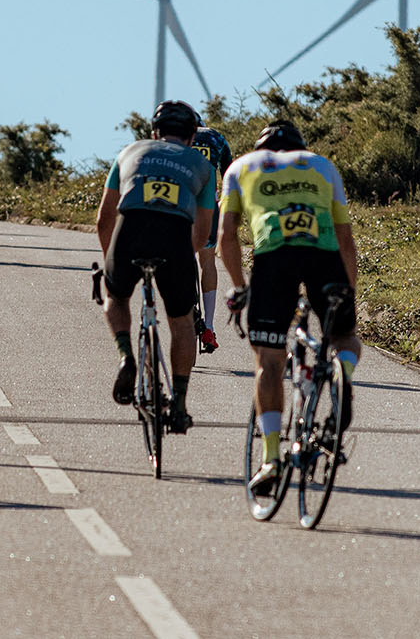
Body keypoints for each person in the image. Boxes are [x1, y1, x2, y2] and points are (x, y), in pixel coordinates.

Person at [218, 119, 361, 498]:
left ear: (262, 146)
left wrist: (239, 286)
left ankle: (270, 460)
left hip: (274, 261)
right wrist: (348, 294)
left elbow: (225, 235)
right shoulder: (321, 164)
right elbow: (346, 239)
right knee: (345, 336)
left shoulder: (241, 167)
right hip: (324, 257)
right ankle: (342, 376)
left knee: (269, 360)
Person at [95, 100, 215, 435]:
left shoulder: (130, 151)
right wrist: (175, 259)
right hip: (175, 236)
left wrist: (111, 264)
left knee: (116, 297)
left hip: (131, 230)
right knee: (181, 321)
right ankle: (178, 404)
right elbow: (203, 233)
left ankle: (125, 355)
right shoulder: (202, 164)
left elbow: (104, 218)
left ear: (154, 132)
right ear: (193, 136)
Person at [189, 125, 234, 351]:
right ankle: (208, 325)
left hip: (179, 205)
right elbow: (229, 173)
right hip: (208, 207)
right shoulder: (215, 137)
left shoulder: (169, 140)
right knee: (207, 261)